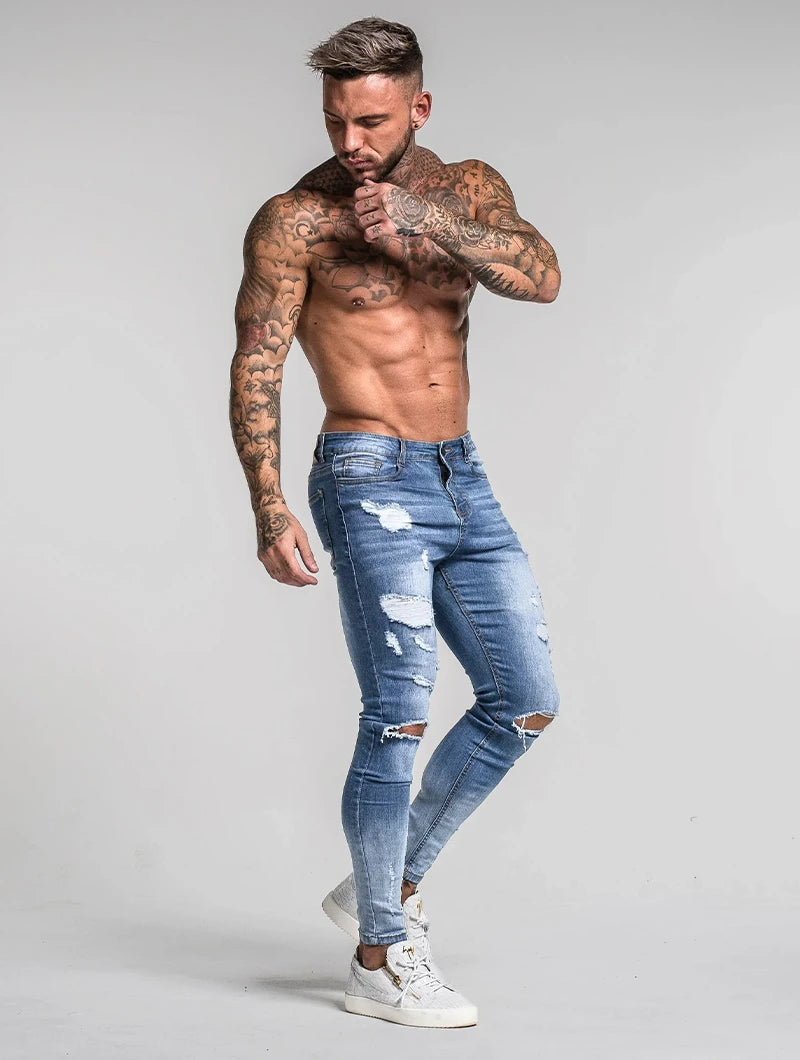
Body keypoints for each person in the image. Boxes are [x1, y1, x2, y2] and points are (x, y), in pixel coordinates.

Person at [229, 17, 562, 1029]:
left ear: (417, 107)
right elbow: (256, 362)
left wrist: (424, 218)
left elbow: (541, 276)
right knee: (400, 711)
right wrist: (269, 504)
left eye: (371, 121)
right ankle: (377, 955)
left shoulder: (465, 187)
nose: (350, 142)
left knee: (524, 699)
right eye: (335, 119)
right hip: (365, 473)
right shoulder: (295, 220)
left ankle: (383, 881)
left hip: (461, 473)